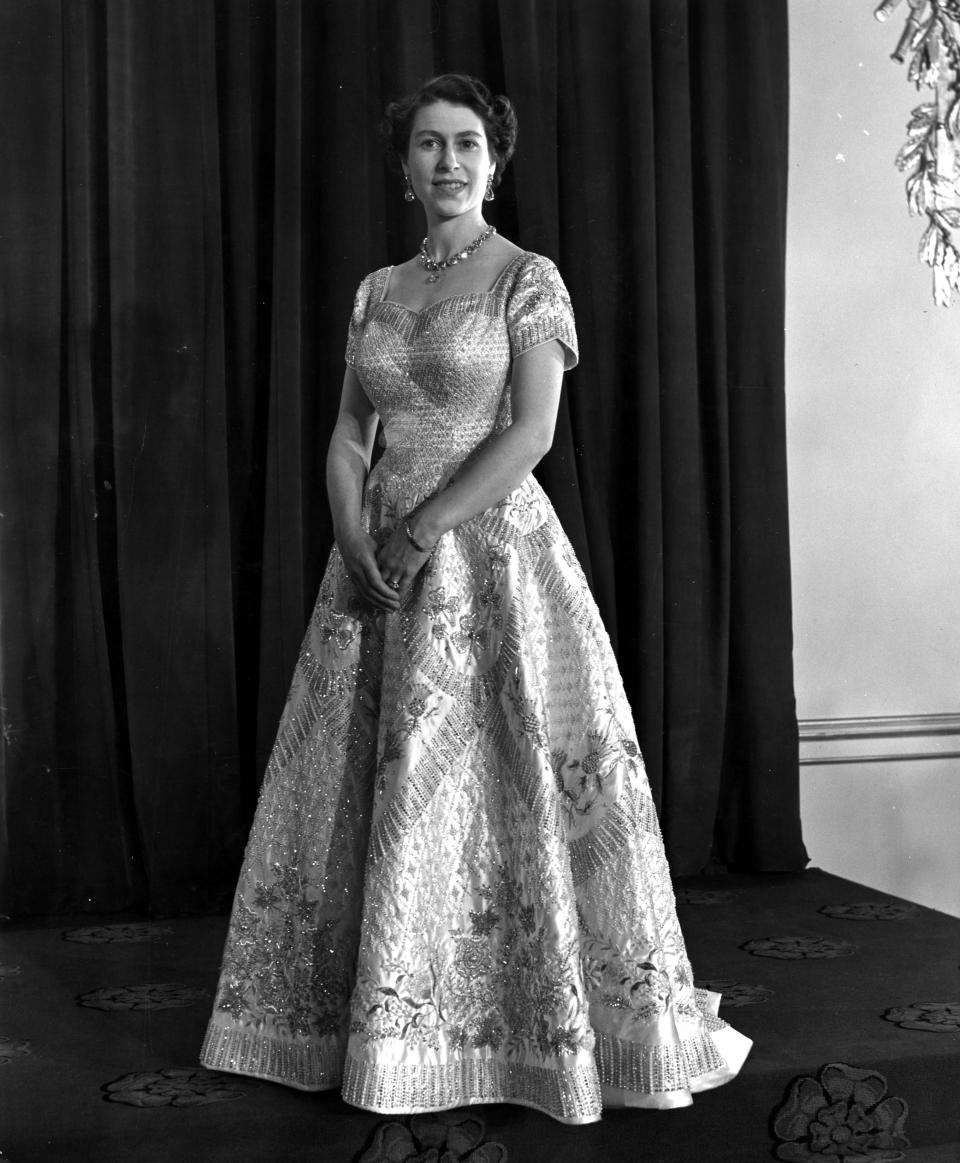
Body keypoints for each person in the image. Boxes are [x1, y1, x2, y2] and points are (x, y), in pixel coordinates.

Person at [200, 73, 751, 1126]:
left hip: (488, 552)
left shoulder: (527, 280)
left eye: (465, 144)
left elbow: (531, 432)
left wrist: (419, 528)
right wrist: (354, 531)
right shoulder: (377, 290)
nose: (447, 162)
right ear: (403, 165)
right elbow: (347, 434)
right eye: (426, 146)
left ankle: (534, 1029)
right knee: (379, 786)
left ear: (494, 160)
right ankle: (386, 1029)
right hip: (374, 568)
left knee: (503, 788)